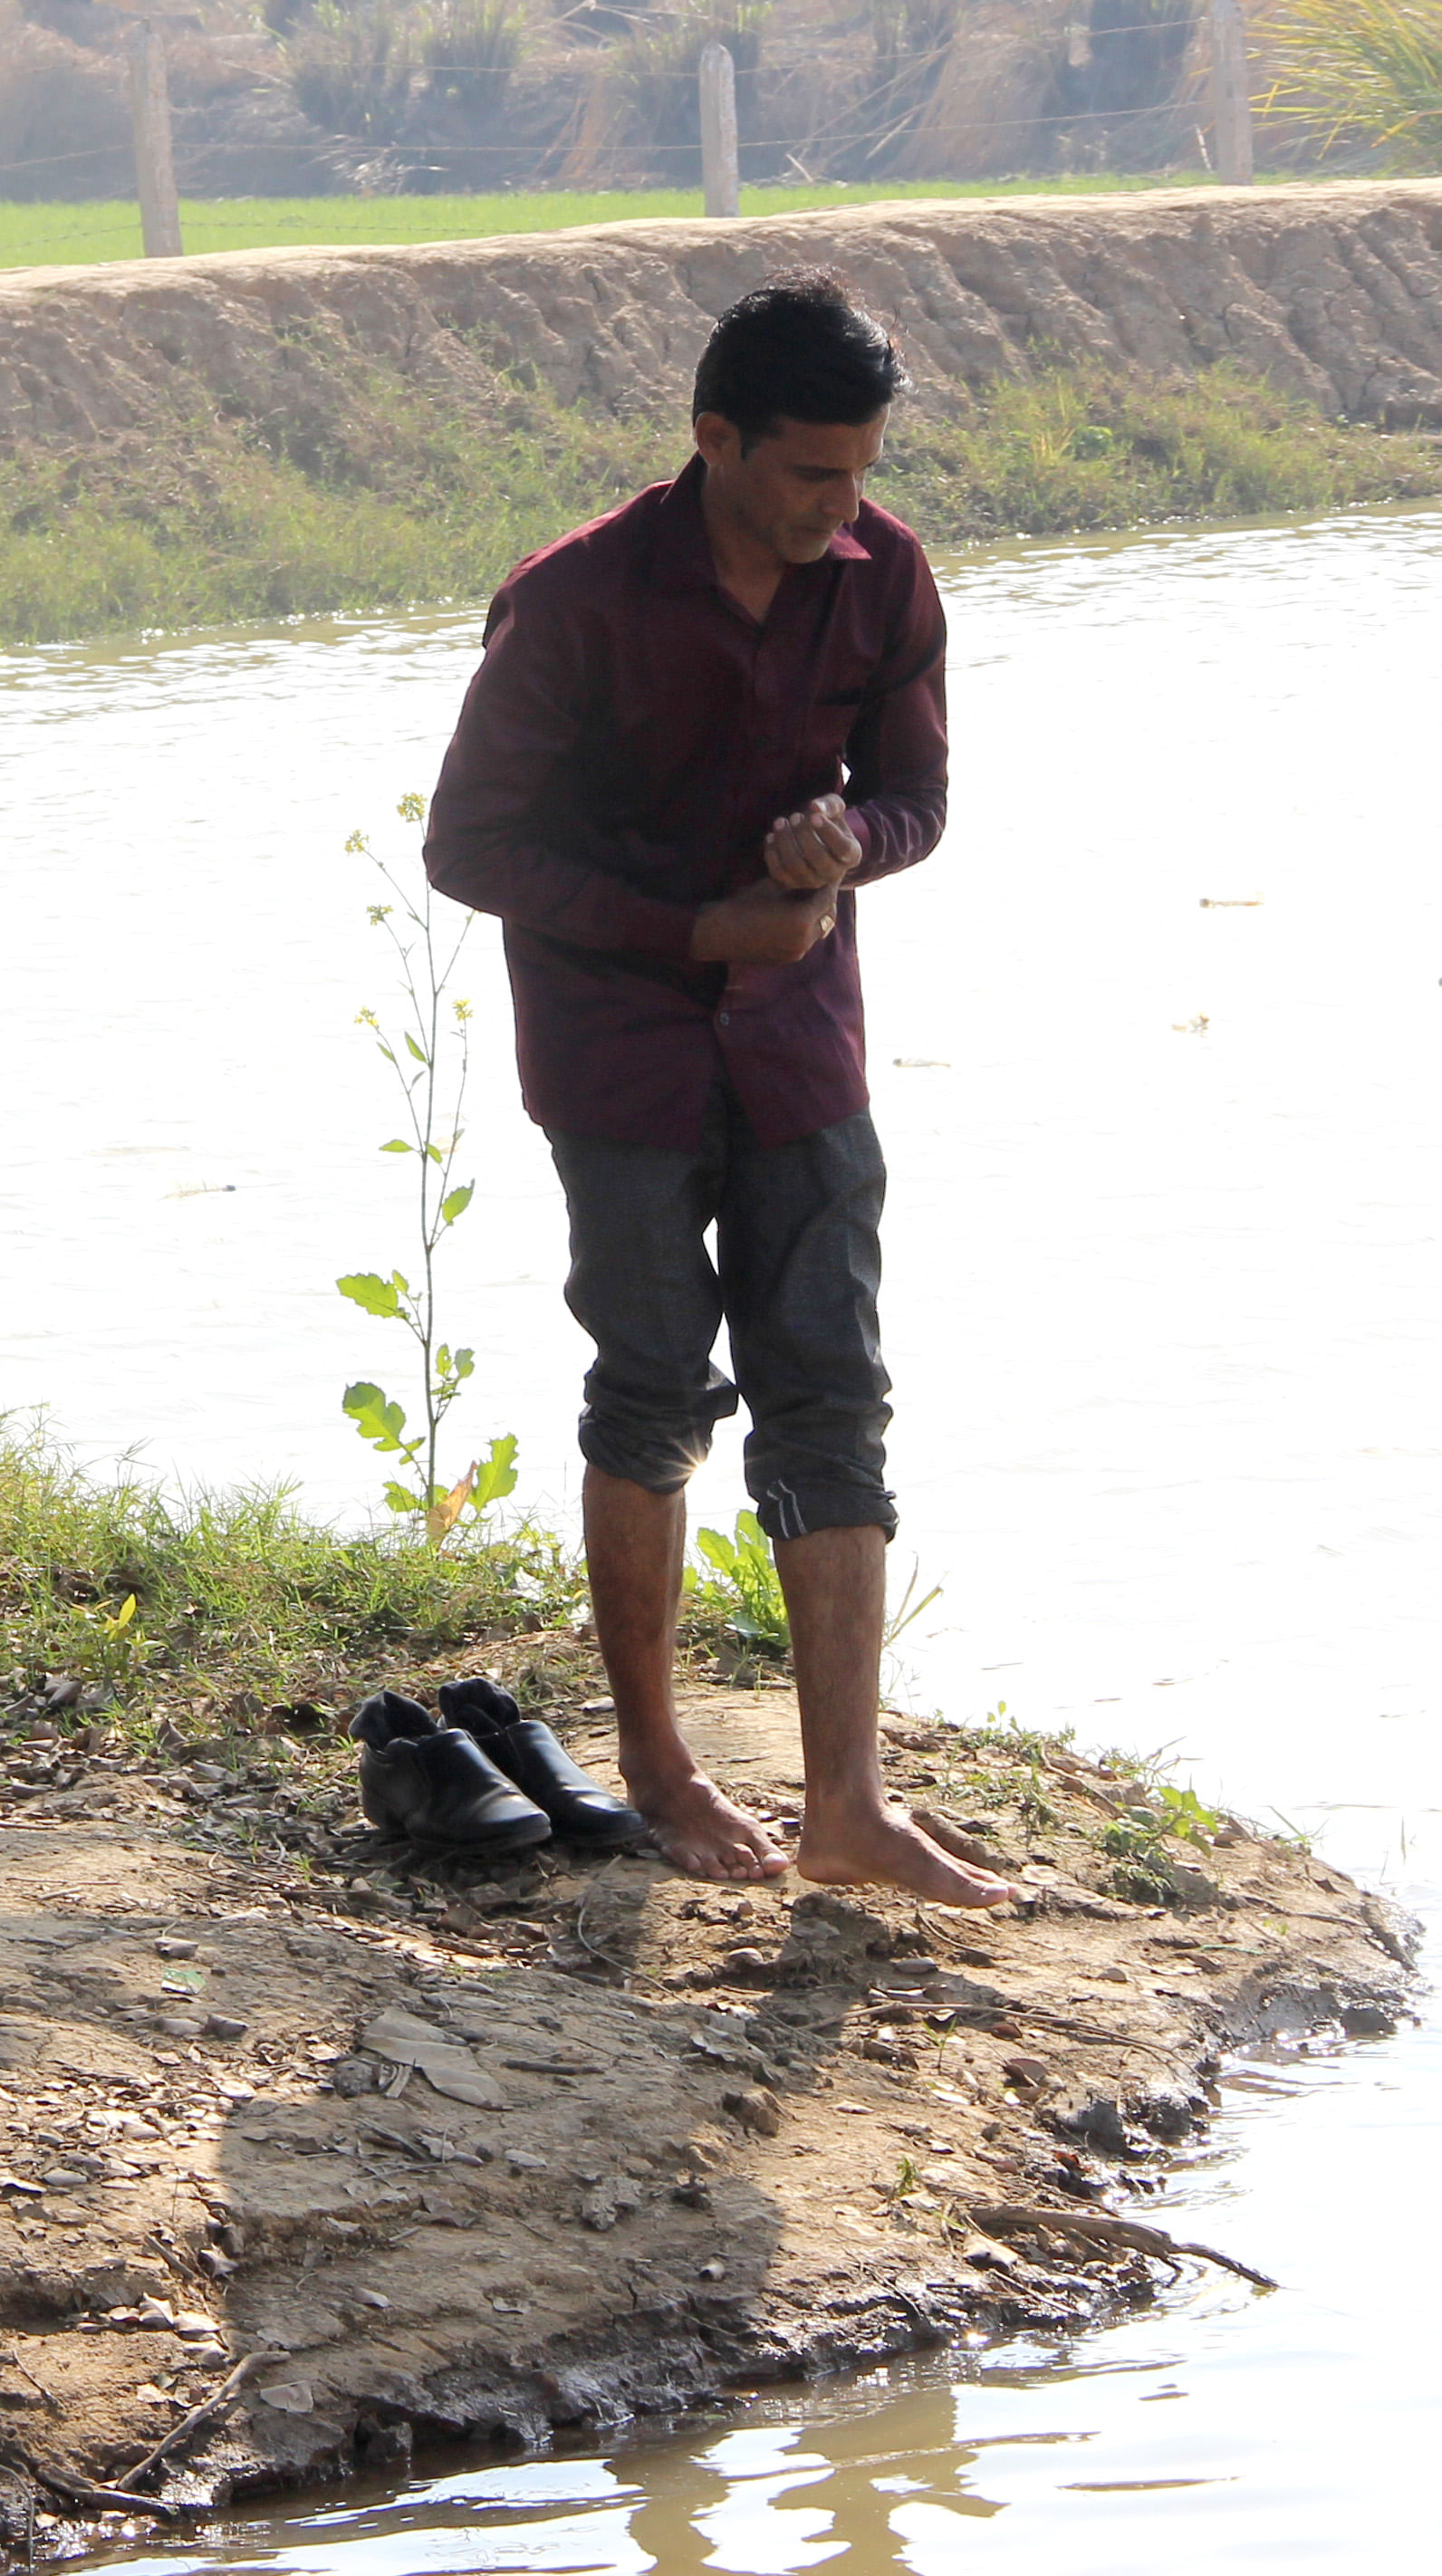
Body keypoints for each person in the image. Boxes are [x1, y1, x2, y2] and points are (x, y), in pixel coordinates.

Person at [420, 273, 1014, 1911]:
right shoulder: (576, 600)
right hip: (619, 1057)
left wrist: (850, 843)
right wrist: (696, 927)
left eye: (865, 470)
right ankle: (660, 1763)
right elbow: (468, 847)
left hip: (802, 1047)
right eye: (814, 473)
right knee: (652, 1390)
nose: (845, 507)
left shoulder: (886, 577)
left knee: (834, 1391)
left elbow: (918, 799)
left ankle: (848, 1805)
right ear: (715, 439)